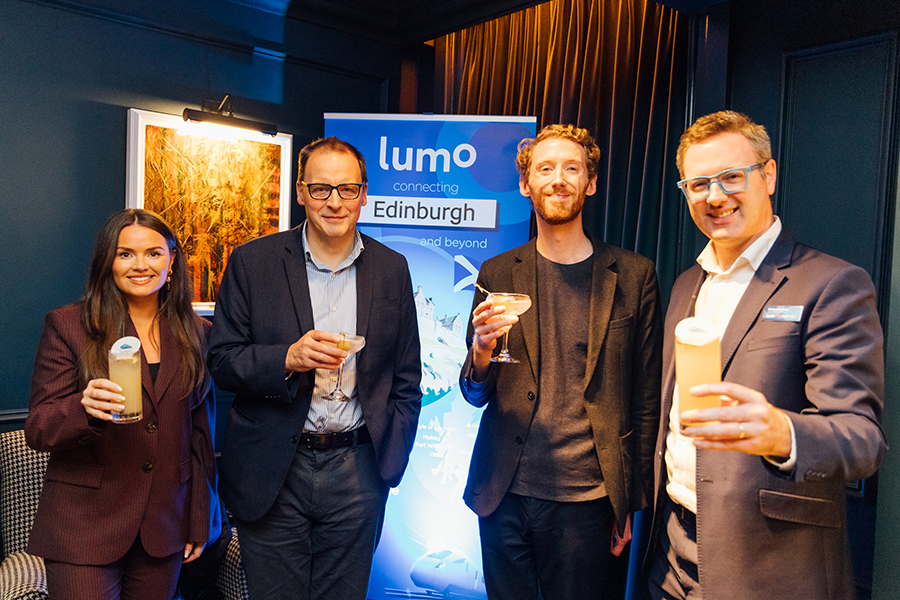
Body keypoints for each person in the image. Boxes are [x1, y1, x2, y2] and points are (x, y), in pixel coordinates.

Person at [646, 110, 887, 599]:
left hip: (768, 566)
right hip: (670, 554)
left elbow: (863, 441)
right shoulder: (685, 285)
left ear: (768, 174)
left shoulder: (831, 283)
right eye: (698, 184)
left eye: (731, 177)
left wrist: (782, 431)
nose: (715, 196)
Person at [208, 136, 422, 600]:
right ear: (301, 192)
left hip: (359, 469)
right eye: (321, 189)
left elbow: (406, 377)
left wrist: (391, 458)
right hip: (274, 468)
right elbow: (221, 360)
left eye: (347, 189)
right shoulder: (253, 262)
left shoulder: (393, 269)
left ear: (364, 194)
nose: (334, 202)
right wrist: (286, 358)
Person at [459, 124, 662, 600]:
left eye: (572, 168)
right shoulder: (497, 272)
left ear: (590, 183)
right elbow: (473, 393)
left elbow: (646, 403)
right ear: (527, 185)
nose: (558, 179)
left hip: (590, 503)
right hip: (504, 494)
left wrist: (628, 504)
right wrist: (480, 355)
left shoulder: (634, 276)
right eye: (544, 168)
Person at [26, 208, 220, 600]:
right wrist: (84, 408)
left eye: (153, 253)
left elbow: (200, 437)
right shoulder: (68, 325)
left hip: (163, 525)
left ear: (172, 260)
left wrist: (200, 519)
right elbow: (39, 428)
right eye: (125, 254)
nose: (140, 265)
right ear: (107, 262)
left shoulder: (199, 334)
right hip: (84, 526)